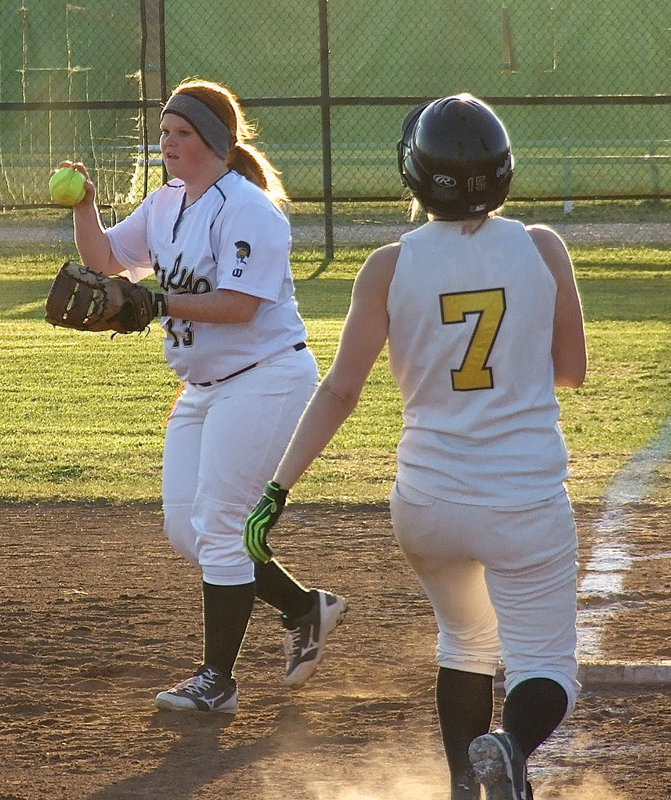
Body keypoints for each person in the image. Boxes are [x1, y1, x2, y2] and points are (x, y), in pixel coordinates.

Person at [244, 94, 587, 799]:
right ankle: (508, 745)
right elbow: (570, 370)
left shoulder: (387, 265)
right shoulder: (541, 246)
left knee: (464, 642)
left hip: (427, 503)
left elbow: (340, 390)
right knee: (544, 665)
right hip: (520, 499)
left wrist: (277, 488)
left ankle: (466, 782)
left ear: (414, 174)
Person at [61, 77, 348, 714]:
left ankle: (217, 681)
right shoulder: (167, 203)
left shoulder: (248, 210)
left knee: (219, 527)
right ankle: (306, 608)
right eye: (164, 130)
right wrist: (85, 205)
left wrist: (157, 300)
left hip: (267, 379)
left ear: (213, 142)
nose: (166, 141)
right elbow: (108, 258)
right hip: (201, 389)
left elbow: (243, 306)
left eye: (181, 132)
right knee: (190, 531)